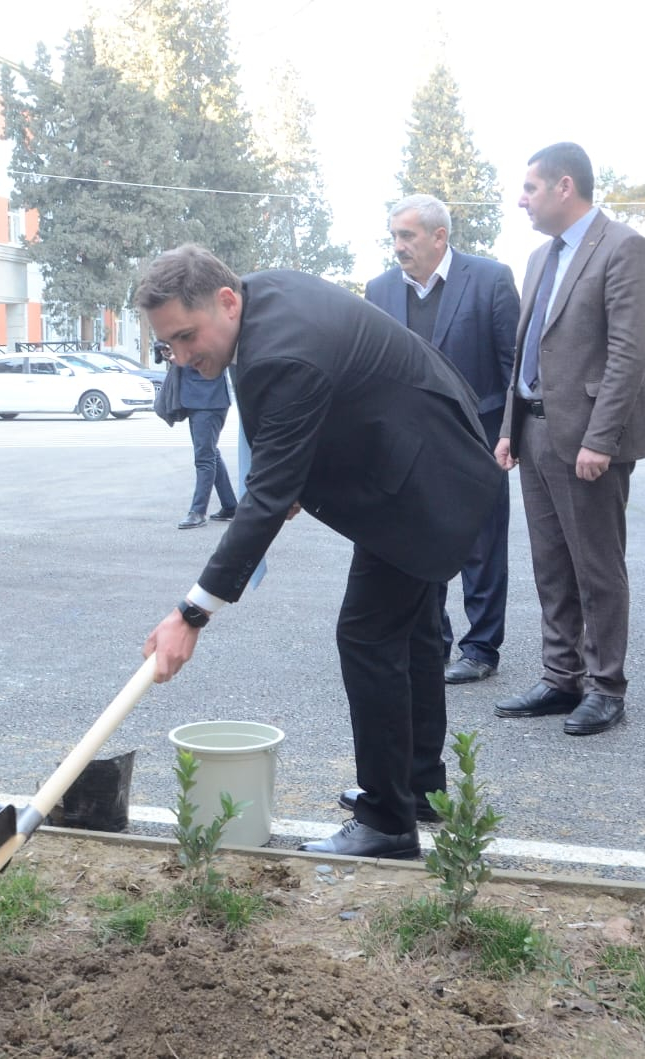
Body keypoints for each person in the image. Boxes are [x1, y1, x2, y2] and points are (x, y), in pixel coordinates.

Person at [136, 244, 502, 860]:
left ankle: (387, 822)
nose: (179, 356)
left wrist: (191, 613)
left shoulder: (279, 351)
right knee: (408, 634)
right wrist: (289, 479)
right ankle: (416, 787)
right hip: (423, 466)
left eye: (185, 336)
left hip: (425, 481)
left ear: (227, 301)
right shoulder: (261, 298)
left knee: (367, 636)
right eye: (167, 344)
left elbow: (266, 498)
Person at [494, 142, 645, 738]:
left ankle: (605, 686)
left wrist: (601, 438)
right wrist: (508, 429)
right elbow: (525, 351)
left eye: (530, 189)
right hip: (536, 431)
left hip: (590, 440)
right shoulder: (541, 258)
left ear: (564, 187)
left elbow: (627, 355)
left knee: (596, 566)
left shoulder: (624, 248)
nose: (522, 200)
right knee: (550, 565)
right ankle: (560, 675)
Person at [365, 194, 518, 687]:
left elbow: (513, 364)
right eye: (393, 236)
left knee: (483, 546)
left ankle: (480, 648)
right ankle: (435, 641)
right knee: (420, 544)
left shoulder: (490, 279)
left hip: (479, 438)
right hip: (410, 446)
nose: (397, 246)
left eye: (406, 236)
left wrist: (513, 432)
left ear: (439, 236)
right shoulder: (380, 290)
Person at [171, 364, 237, 529]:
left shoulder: (208, 339)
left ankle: (198, 512)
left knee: (204, 458)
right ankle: (230, 507)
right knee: (210, 453)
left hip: (209, 400)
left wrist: (180, 355)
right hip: (199, 399)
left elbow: (212, 358)